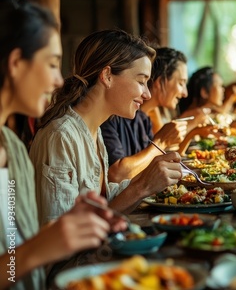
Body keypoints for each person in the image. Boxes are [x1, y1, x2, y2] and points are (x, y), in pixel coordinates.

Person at [0, 0, 125, 290]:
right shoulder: (58, 134)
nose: (60, 80)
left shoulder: (11, 148)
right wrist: (39, 248)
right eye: (53, 63)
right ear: (16, 63)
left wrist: (67, 227)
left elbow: (13, 254)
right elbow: (22, 256)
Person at [29, 29, 182, 226]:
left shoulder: (94, 130)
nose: (147, 95)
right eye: (141, 81)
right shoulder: (61, 137)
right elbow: (64, 234)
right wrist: (143, 186)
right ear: (107, 76)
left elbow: (105, 202)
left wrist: (151, 179)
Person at [100, 47, 190, 183]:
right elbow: (117, 175)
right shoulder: (108, 118)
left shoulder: (143, 119)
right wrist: (161, 141)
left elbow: (151, 166)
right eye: (141, 82)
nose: (185, 93)